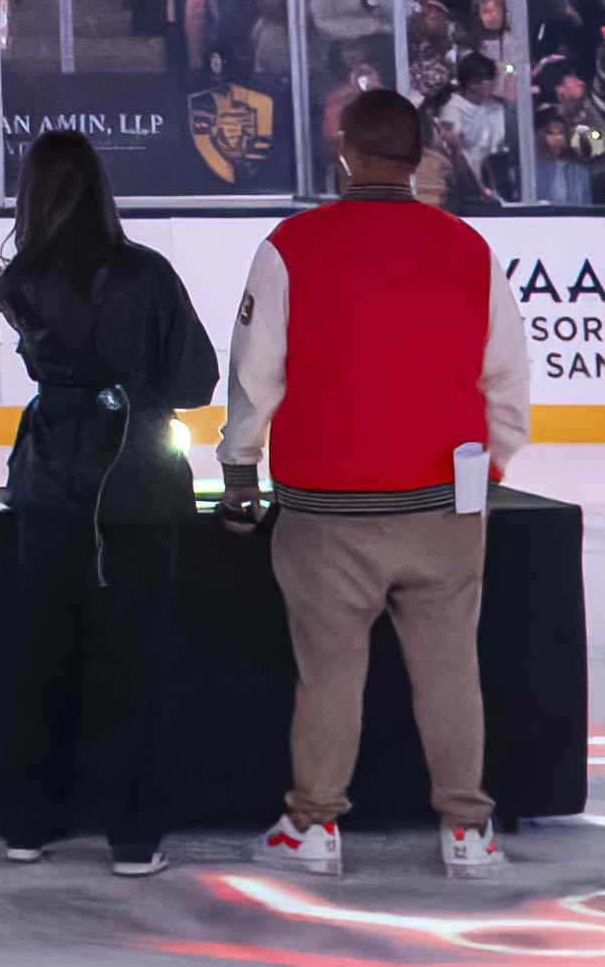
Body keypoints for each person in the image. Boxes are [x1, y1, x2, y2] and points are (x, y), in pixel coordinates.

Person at [222, 80, 528, 879]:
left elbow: (256, 374)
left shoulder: (292, 245)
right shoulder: (468, 248)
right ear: (419, 157)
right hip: (442, 503)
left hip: (325, 507)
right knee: (451, 668)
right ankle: (468, 830)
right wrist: (489, 467)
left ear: (346, 156)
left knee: (329, 671)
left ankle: (313, 824)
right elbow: (506, 377)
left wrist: (239, 466)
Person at [0, 128, 215, 877]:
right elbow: (195, 380)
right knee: (134, 660)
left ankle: (28, 823)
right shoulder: (147, 273)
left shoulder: (18, 281)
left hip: (50, 477)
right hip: (138, 482)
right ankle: (133, 836)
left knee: (42, 655)